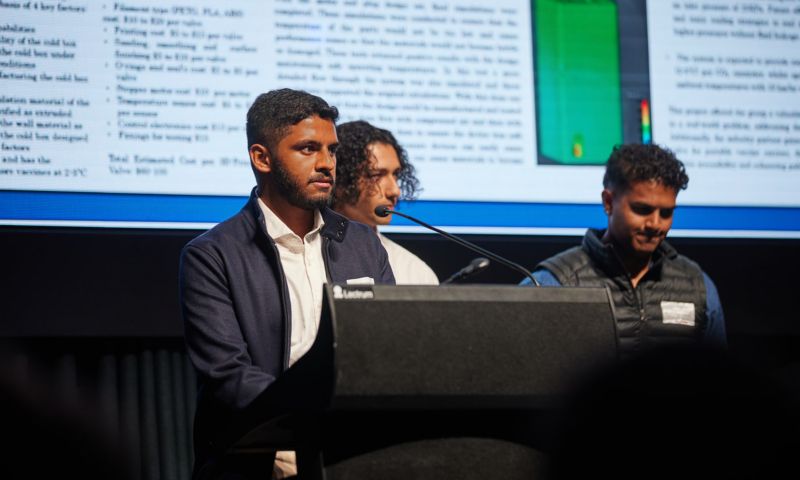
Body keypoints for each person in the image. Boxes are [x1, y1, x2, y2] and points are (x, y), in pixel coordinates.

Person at [179, 89, 395, 478]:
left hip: (353, 455)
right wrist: (313, 424)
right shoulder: (212, 255)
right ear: (262, 158)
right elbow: (229, 376)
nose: (327, 164)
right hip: (261, 457)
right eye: (308, 149)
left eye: (331, 150)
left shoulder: (364, 246)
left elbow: (390, 349)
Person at [523, 143, 726, 356]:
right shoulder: (554, 282)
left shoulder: (697, 285)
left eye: (666, 213)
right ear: (608, 202)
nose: (655, 224)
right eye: (642, 209)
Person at [332, 120, 438, 285]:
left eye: (395, 175)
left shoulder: (415, 272)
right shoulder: (305, 255)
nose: (394, 191)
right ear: (340, 180)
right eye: (376, 175)